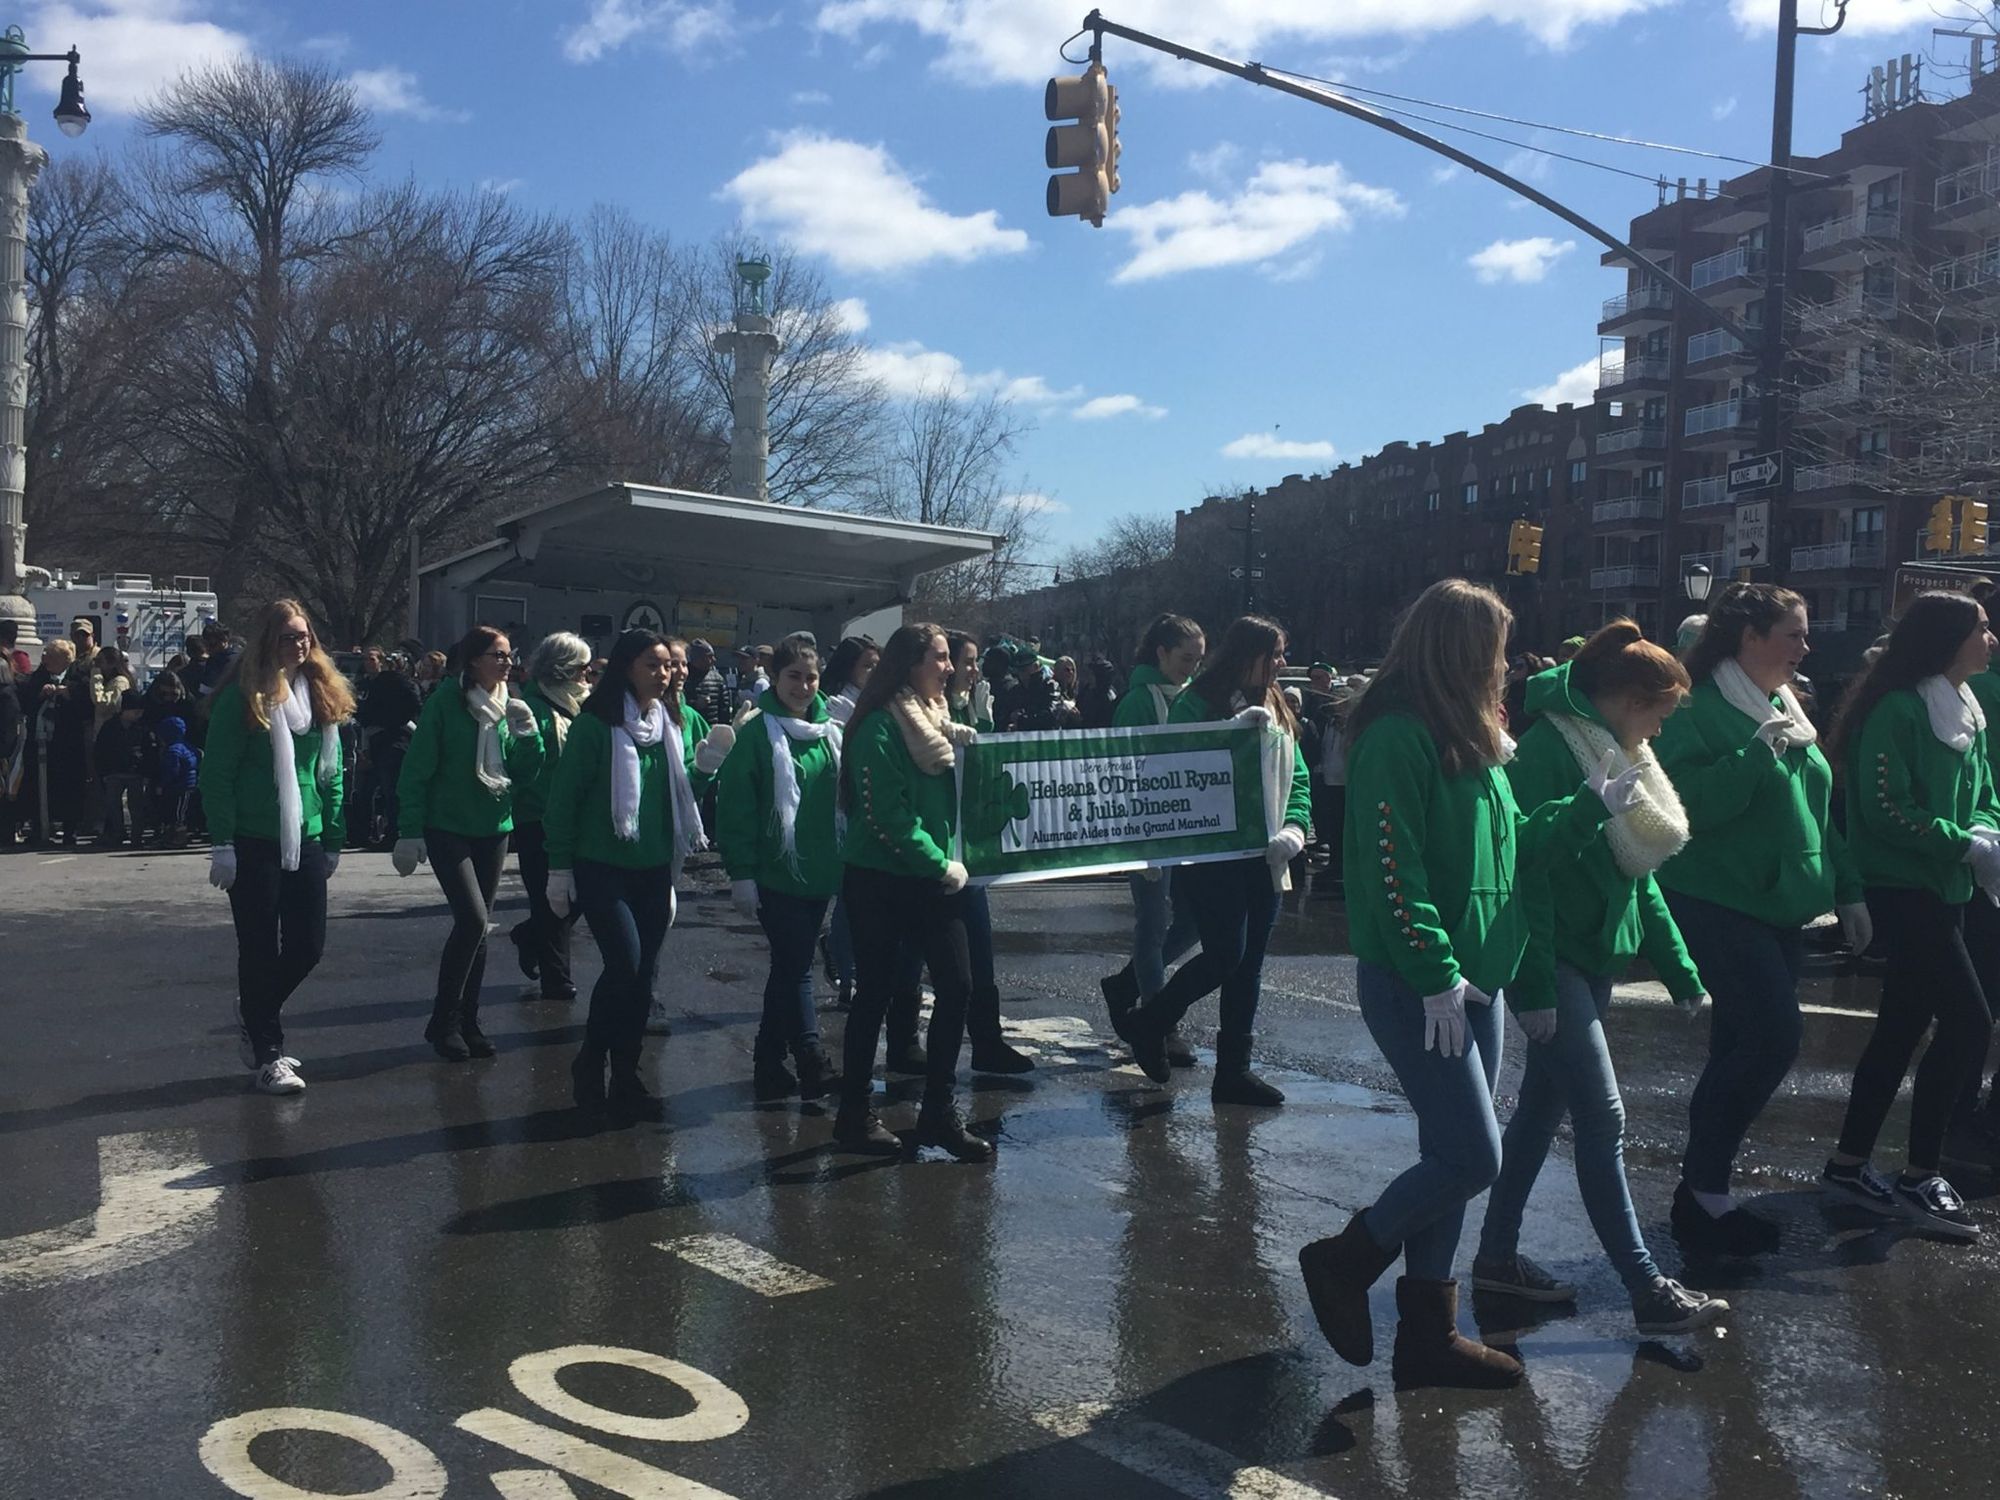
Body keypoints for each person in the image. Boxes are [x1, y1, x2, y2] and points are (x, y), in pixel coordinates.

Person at [1294, 579, 1642, 1390]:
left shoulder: (1474, 737)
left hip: (1471, 982)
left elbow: (1514, 848)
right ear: (1459, 650)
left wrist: (1590, 807)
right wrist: (1436, 973)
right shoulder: (1396, 736)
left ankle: (1428, 1337)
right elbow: (1390, 869)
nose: (1504, 666)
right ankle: (1346, 1260)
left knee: (1447, 1156)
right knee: (1472, 1155)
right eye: (1494, 649)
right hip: (1425, 983)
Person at [1471, 622, 1728, 1333]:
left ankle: (1495, 1260)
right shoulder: (1552, 747)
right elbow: (1526, 871)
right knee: (1603, 1116)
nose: (1663, 726)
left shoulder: (1619, 746)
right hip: (1552, 957)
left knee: (1538, 1116)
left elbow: (1635, 871)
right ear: (1619, 698)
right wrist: (1538, 989)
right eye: (1658, 710)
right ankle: (1647, 1288)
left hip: (1593, 956)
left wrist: (1679, 969)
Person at [1653, 583, 1866, 1257]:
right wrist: (1755, 755)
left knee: (1737, 1049)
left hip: (1781, 907)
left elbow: (1818, 810)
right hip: (1715, 899)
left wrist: (1850, 889)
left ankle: (1704, 1198)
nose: (1806, 646)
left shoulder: (1784, 705)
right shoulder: (1698, 709)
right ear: (1749, 637)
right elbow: (1684, 809)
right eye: (1794, 634)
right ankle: (1704, 1192)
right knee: (1774, 1038)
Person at [1819, 592, 2000, 1239]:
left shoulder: (1967, 707)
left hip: (1950, 889)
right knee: (1970, 1023)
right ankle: (1921, 1173)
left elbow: (1987, 797)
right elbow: (1884, 809)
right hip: (1903, 889)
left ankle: (1847, 1164)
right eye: (1981, 629)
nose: (1991, 639)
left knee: (1900, 1028)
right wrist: (1962, 841)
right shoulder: (1898, 709)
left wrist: (1986, 833)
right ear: (1947, 638)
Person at [1114, 615, 1316, 1106]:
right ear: (1249, 655)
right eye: (1275, 654)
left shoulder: (1276, 704)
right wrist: (1229, 736)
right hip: (1215, 855)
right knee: (1225, 955)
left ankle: (1233, 1072)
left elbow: (1300, 778)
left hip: (1265, 856)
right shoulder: (1197, 701)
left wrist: (1294, 827)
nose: (1282, 664)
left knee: (1248, 966)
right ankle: (1151, 1021)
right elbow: (1177, 768)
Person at [831, 622, 990, 1162]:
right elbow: (886, 819)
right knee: (875, 994)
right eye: (941, 658)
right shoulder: (878, 727)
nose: (950, 667)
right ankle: (853, 1114)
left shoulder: (938, 721)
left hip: (932, 877)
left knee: (958, 986)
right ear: (910, 663)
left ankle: (939, 1115)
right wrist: (939, 864)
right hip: (881, 879)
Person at [543, 628, 711, 1126]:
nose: (664, 674)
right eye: (652, 665)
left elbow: (681, 795)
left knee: (641, 978)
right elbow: (565, 799)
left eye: (667, 666)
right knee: (625, 964)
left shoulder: (670, 724)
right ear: (625, 667)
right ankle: (591, 1060)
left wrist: (706, 768)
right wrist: (559, 867)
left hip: (654, 869)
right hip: (603, 866)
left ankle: (627, 1075)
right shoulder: (596, 725)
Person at [199, 600, 353, 1096]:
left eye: (305, 635)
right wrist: (222, 843)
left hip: (304, 838)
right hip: (252, 842)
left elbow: (330, 774)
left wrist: (333, 836)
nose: (300, 644)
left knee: (308, 947)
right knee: (260, 949)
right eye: (289, 636)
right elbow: (216, 775)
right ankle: (269, 1053)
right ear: (268, 641)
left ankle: (253, 1012)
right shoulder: (243, 699)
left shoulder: (321, 695)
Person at [393, 625, 544, 1061]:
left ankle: (469, 1021)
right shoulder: (447, 703)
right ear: (474, 660)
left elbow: (524, 775)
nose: (507, 661)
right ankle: (443, 1022)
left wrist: (528, 738)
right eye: (497, 655)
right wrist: (409, 829)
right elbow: (418, 768)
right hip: (448, 827)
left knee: (479, 931)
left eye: (509, 655)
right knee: (473, 921)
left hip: (495, 826)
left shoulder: (509, 705)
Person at [719, 638, 845, 1102]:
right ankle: (812, 1057)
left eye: (811, 678)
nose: (803, 686)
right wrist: (741, 873)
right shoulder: (756, 734)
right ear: (776, 677)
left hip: (820, 873)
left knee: (787, 968)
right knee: (797, 968)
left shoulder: (830, 733)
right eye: (794, 676)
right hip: (775, 873)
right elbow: (736, 809)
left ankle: (768, 1060)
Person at [1100, 613, 1206, 1070]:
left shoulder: (1190, 696)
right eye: (1186, 658)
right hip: (1148, 829)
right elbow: (1118, 767)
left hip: (1188, 827)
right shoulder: (1136, 702)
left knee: (1197, 920)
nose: (1193, 668)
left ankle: (1129, 986)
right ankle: (1159, 1019)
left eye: (1199, 660)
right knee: (1152, 923)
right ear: (1160, 653)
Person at [509, 632, 591, 1003]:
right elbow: (528, 768)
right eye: (581, 668)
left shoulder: (583, 707)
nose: (587, 675)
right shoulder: (533, 708)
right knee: (551, 902)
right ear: (564, 669)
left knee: (582, 895)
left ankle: (529, 935)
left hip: (577, 820)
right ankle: (557, 981)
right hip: (536, 818)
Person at [353, 647, 423, 850]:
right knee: (372, 789)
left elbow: (413, 703)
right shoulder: (365, 684)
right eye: (365, 659)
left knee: (391, 788)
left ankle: (394, 833)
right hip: (375, 740)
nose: (368, 662)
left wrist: (392, 721)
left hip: (395, 739)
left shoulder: (394, 681)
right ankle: (366, 832)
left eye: (372, 658)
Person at [94, 688, 150, 847]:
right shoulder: (110, 727)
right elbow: (100, 750)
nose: (138, 715)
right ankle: (118, 832)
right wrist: (103, 772)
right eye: (135, 712)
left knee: (136, 807)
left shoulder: (142, 728)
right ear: (124, 710)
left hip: (136, 773)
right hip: (113, 772)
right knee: (113, 805)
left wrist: (146, 772)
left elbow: (148, 751)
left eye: (140, 712)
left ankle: (136, 837)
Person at [153, 715, 200, 846]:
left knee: (178, 814)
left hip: (180, 785)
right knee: (181, 812)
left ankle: (179, 838)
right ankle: (175, 836)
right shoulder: (188, 746)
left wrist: (162, 784)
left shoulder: (172, 750)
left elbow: (172, 771)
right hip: (190, 784)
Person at [684, 638, 729, 726]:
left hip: (712, 730)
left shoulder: (718, 679)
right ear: (698, 658)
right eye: (710, 656)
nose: (714, 660)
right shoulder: (684, 677)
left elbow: (724, 709)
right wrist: (695, 704)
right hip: (690, 726)